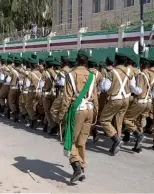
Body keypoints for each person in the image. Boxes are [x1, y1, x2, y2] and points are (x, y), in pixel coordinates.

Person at [57, 49, 98, 183]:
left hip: (77, 110)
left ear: (77, 59)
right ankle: (82, 169)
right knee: (82, 141)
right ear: (87, 60)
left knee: (70, 140)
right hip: (89, 109)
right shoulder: (92, 75)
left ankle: (76, 168)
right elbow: (95, 97)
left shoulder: (71, 74)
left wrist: (61, 115)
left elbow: (67, 98)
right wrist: (96, 113)